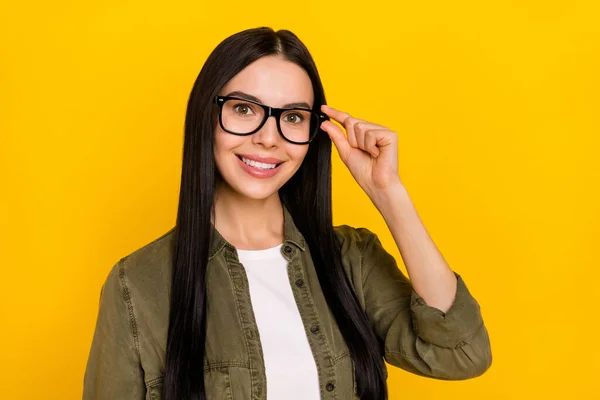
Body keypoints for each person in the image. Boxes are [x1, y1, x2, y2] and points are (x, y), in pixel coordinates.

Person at [83, 27, 492, 400]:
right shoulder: (137, 285)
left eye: (293, 117)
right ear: (207, 116)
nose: (268, 138)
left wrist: (388, 193)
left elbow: (459, 354)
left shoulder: (351, 258)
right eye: (244, 109)